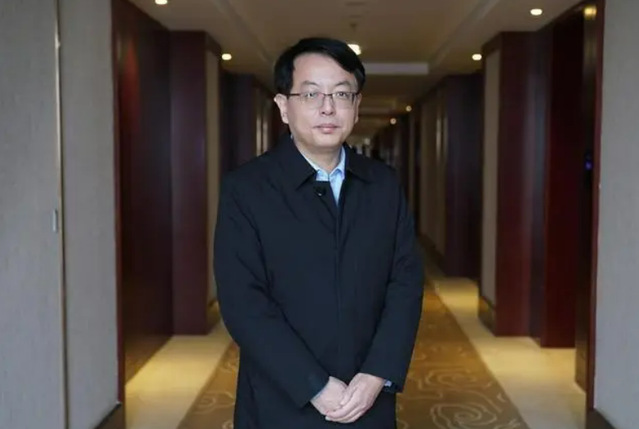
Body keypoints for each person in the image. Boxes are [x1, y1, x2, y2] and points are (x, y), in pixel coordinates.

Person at [213, 37, 424, 429]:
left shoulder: (383, 184)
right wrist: (313, 384)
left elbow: (405, 283)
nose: (328, 107)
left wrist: (378, 372)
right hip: (282, 395)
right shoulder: (247, 189)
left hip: (367, 394)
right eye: (311, 94)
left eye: (342, 94)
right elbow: (243, 302)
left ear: (356, 107)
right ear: (283, 107)